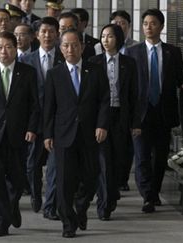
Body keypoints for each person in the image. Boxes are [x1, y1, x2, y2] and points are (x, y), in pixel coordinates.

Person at [43, 29, 109, 238]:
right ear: (60, 48)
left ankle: (81, 208)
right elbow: (49, 107)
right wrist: (47, 134)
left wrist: (102, 125)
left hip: (90, 133)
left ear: (82, 46)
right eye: (65, 46)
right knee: (64, 182)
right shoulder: (55, 74)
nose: (70, 49)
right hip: (63, 135)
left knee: (90, 178)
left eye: (74, 45)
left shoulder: (96, 70)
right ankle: (68, 223)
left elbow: (104, 100)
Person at [0, 31, 40, 237]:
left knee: (18, 179)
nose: (3, 51)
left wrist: (31, 128)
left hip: (18, 134)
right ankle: (0, 221)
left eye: (8, 47)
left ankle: (11, 207)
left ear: (15, 48)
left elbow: (34, 105)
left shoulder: (27, 72)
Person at [126, 9, 183, 213]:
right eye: (145, 23)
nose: (148, 27)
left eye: (153, 23)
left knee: (160, 157)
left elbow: (182, 78)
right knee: (142, 156)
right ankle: (148, 197)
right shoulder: (133, 52)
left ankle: (154, 192)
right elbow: (128, 85)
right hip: (141, 113)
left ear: (161, 27)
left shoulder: (173, 52)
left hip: (163, 112)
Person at [89, 24, 141, 220]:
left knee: (117, 162)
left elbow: (134, 95)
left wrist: (136, 123)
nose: (105, 40)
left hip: (120, 116)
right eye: (103, 36)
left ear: (118, 39)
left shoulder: (129, 63)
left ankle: (110, 198)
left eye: (110, 36)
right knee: (103, 162)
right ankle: (103, 204)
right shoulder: (94, 62)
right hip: (100, 118)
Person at [19, 16, 64, 219]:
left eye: (51, 31)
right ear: (37, 35)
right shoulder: (26, 61)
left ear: (57, 34)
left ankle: (50, 205)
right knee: (33, 164)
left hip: (58, 120)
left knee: (55, 166)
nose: (47, 35)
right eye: (43, 31)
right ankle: (36, 195)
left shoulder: (65, 58)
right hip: (34, 122)